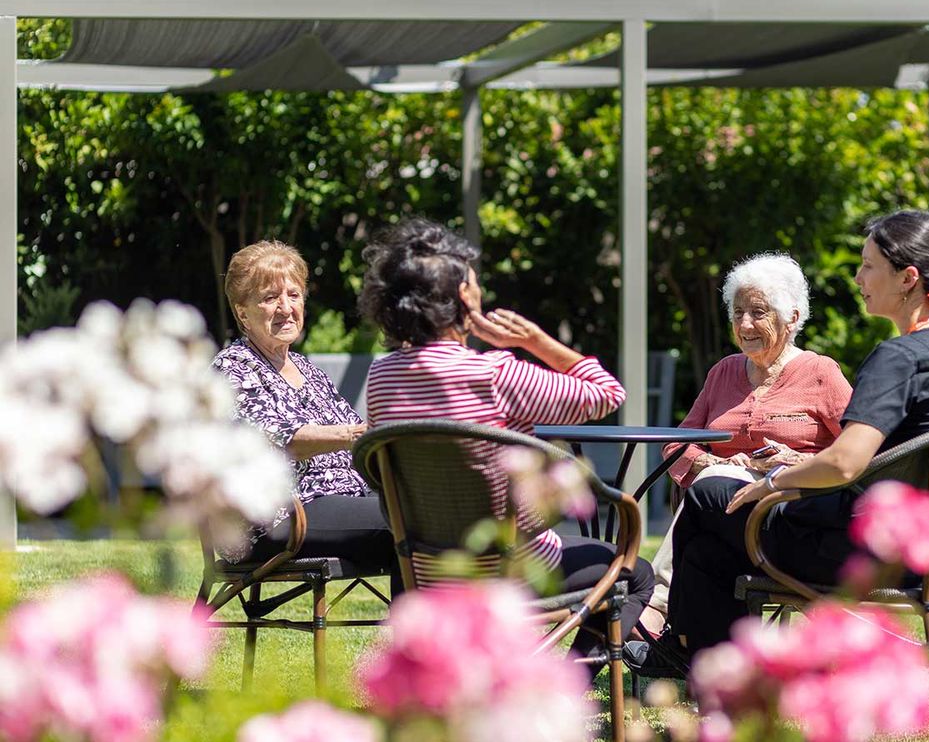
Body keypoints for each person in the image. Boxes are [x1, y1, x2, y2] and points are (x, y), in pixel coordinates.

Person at [629, 210, 929, 671]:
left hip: (858, 549)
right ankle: (710, 673)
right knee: (706, 552)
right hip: (914, 549)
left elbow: (846, 462)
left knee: (708, 495)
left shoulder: (898, 358)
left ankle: (686, 654)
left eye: (868, 265)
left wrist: (770, 483)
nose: (858, 276)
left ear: (907, 279)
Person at [357, 217, 656, 665]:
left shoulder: (380, 376)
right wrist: (535, 341)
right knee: (638, 574)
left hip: (425, 569)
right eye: (474, 284)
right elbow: (606, 393)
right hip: (513, 567)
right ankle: (568, 688)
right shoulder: (494, 373)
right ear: (462, 298)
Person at [637, 253, 853, 638]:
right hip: (718, 511)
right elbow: (677, 445)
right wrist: (709, 466)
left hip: (785, 514)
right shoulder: (723, 372)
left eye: (758, 312)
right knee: (714, 494)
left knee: (713, 499)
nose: (745, 324)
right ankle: (689, 647)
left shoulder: (820, 373)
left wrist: (795, 459)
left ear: (793, 318)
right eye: (737, 313)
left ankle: (657, 605)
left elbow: (858, 452)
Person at [213, 240, 399, 593]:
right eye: (270, 298)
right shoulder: (232, 369)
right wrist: (355, 435)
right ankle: (420, 644)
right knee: (409, 524)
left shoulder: (306, 369)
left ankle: (430, 641)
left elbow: (358, 442)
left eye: (294, 295)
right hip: (281, 516)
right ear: (242, 312)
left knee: (429, 515)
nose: (286, 308)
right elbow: (276, 439)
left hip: (342, 500)